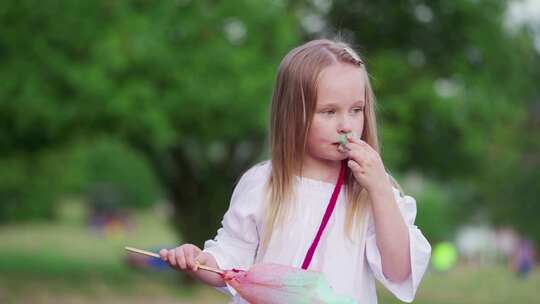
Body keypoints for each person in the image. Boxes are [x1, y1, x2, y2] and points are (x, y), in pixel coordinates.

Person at [159, 39, 431, 303]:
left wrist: (380, 189)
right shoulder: (263, 183)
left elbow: (399, 271)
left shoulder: (368, 191)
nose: (346, 125)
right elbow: (230, 259)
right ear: (293, 114)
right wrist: (200, 261)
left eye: (356, 110)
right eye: (329, 111)